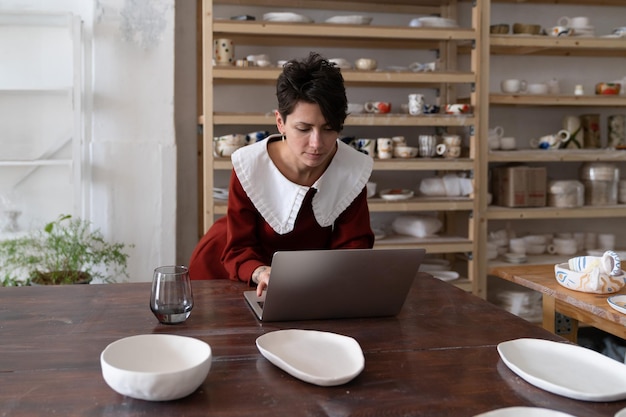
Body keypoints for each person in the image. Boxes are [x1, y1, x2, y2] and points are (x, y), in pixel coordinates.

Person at [189, 52, 374, 296]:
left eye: (329, 129)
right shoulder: (250, 165)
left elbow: (353, 246)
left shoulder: (351, 168)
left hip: (304, 283)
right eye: (303, 129)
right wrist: (261, 271)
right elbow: (239, 248)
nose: (317, 143)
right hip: (229, 270)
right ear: (280, 122)